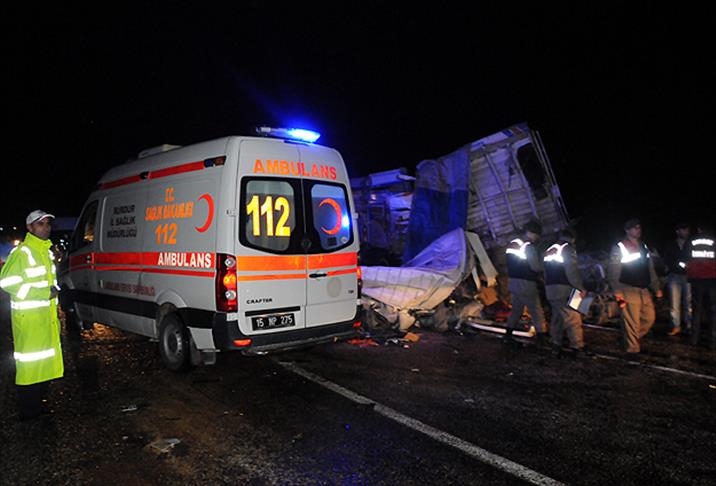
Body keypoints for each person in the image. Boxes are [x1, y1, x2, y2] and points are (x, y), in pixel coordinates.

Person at [0, 210, 63, 420]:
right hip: (29, 321)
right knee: (30, 367)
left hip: (45, 318)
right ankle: (28, 411)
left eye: (47, 224)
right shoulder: (23, 252)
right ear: (30, 228)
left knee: (43, 364)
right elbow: (7, 282)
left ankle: (37, 406)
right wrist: (43, 293)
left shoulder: (45, 252)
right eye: (40, 224)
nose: (45, 228)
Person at [607, 218, 663, 356]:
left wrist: (656, 288)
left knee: (649, 318)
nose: (638, 230)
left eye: (639, 227)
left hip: (643, 290)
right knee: (632, 322)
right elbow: (613, 270)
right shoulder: (620, 247)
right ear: (627, 230)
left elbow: (650, 269)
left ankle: (627, 339)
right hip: (627, 289)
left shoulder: (643, 246)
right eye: (635, 228)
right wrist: (617, 291)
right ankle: (632, 351)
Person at [543, 229, 590, 358]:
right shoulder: (567, 249)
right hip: (565, 289)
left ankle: (555, 344)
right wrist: (581, 288)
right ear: (572, 238)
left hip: (551, 289)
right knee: (574, 318)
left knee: (557, 318)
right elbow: (572, 272)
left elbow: (545, 272)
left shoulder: (550, 249)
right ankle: (578, 347)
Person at [503, 220, 548, 345]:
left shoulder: (513, 243)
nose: (536, 239)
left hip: (513, 281)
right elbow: (536, 267)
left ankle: (508, 335)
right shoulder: (528, 246)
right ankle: (541, 337)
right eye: (537, 235)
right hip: (526, 283)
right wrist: (542, 261)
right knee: (536, 311)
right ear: (532, 233)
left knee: (516, 311)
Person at [684, 222, 716, 348]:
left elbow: (685, 258)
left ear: (699, 229)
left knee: (696, 310)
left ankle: (694, 338)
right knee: (712, 310)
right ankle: (712, 339)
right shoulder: (714, 240)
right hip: (712, 279)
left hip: (696, 280)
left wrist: (688, 271)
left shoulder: (691, 240)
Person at [663, 222, 692, 336]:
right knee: (674, 303)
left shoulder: (691, 243)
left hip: (688, 276)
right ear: (678, 231)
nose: (686, 232)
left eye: (687, 229)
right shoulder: (670, 244)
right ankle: (675, 326)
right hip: (674, 276)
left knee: (688, 303)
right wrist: (678, 265)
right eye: (683, 229)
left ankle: (689, 326)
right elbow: (667, 259)